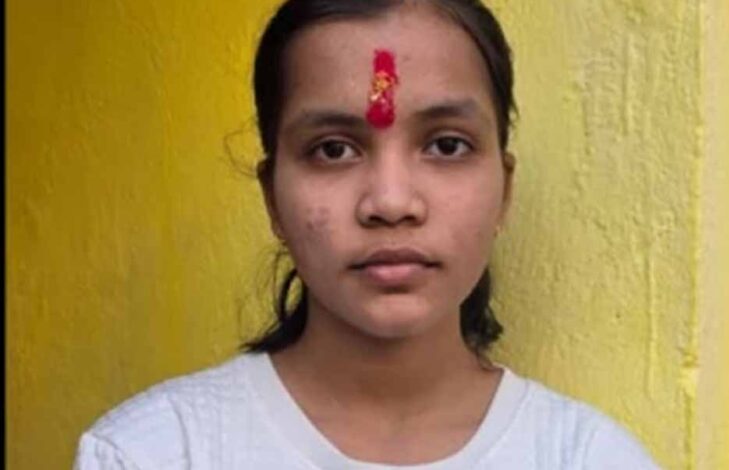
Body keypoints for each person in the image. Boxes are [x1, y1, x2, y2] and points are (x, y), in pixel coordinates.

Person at [75, 0, 660, 468]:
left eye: (446, 145)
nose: (390, 202)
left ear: (503, 190)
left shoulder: (586, 457)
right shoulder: (155, 453)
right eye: (333, 150)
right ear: (273, 197)